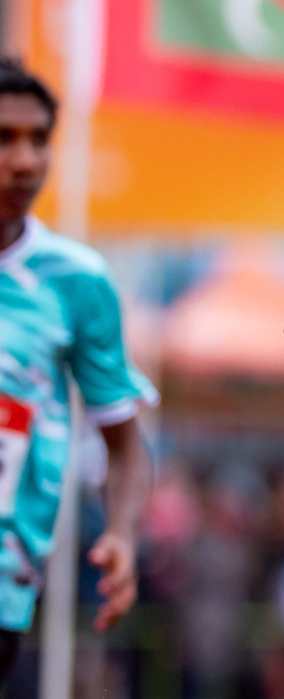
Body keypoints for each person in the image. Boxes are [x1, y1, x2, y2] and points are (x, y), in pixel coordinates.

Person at [0, 57, 158, 683]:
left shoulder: (77, 282)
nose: (26, 160)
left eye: (39, 139)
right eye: (4, 138)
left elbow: (123, 443)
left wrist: (120, 533)